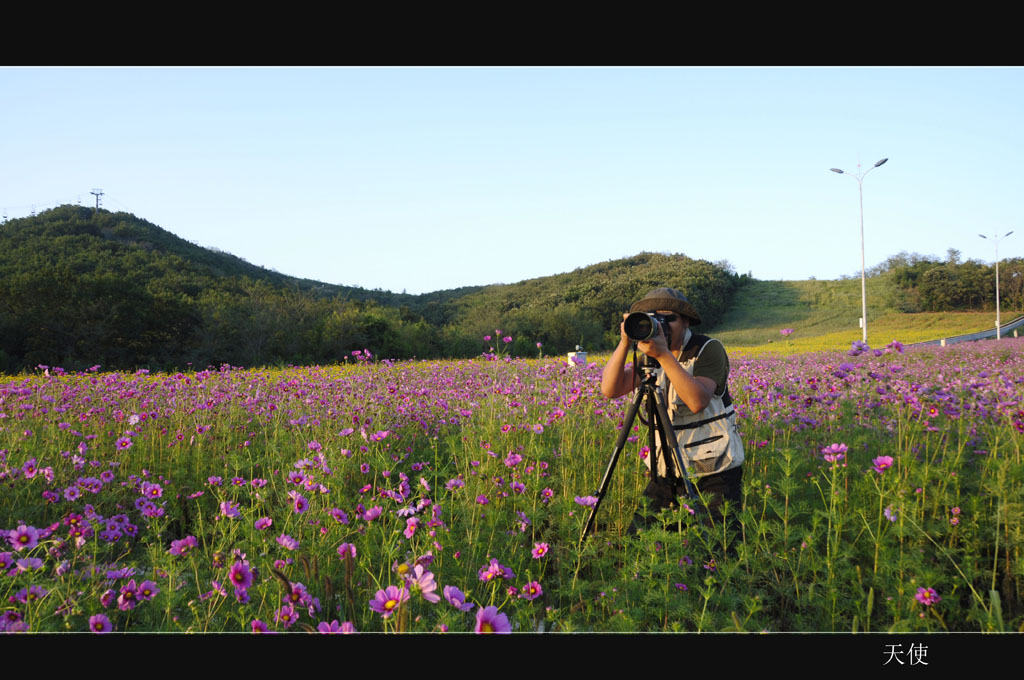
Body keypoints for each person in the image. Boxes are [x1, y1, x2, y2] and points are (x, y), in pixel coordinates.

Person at [600, 287, 744, 530]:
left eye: (668, 318)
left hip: (714, 470)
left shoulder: (707, 349)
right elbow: (610, 389)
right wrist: (625, 342)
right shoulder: (648, 356)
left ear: (686, 321)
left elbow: (697, 401)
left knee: (717, 549)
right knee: (642, 544)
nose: (661, 325)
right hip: (667, 469)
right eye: (652, 318)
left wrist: (665, 355)